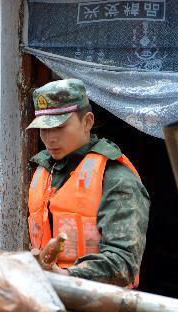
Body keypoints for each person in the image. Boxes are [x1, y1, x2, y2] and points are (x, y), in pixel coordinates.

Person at [27, 78, 150, 287]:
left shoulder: (116, 177)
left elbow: (124, 263)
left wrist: (66, 278)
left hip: (101, 305)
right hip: (49, 296)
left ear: (87, 122)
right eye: (43, 129)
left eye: (59, 127)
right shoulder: (44, 170)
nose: (49, 138)